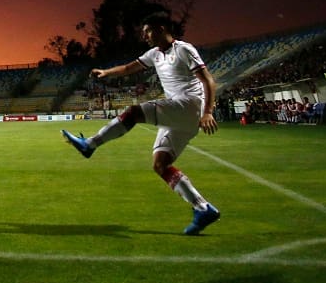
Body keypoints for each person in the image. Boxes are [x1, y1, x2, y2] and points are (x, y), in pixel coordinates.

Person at [61, 12, 221, 236]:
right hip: (178, 115)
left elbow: (208, 80)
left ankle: (90, 144)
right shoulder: (154, 54)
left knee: (134, 112)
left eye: (148, 30)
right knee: (160, 165)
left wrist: (208, 112)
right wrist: (106, 72)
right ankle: (203, 208)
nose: (144, 35)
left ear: (162, 28)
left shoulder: (184, 49)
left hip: (190, 105)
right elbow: (128, 68)